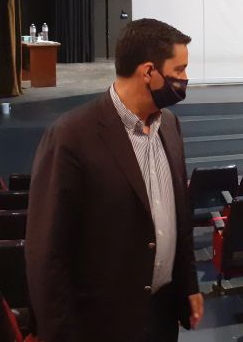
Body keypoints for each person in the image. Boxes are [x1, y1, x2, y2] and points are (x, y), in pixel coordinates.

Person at [26, 18, 203, 342]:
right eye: (179, 69)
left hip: (162, 316)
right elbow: (47, 256)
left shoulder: (170, 126)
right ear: (148, 72)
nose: (185, 78)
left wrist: (189, 285)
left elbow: (180, 218)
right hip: (100, 326)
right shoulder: (71, 137)